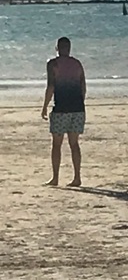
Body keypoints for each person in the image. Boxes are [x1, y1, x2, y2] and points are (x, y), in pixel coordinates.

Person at [41, 36, 87, 187]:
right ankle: (77, 177)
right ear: (69, 48)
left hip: (61, 109)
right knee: (74, 144)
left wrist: (44, 106)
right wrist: (80, 103)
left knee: (57, 144)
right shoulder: (77, 63)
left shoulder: (52, 64)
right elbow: (83, 87)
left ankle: (55, 178)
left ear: (57, 48)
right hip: (78, 108)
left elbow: (51, 87)